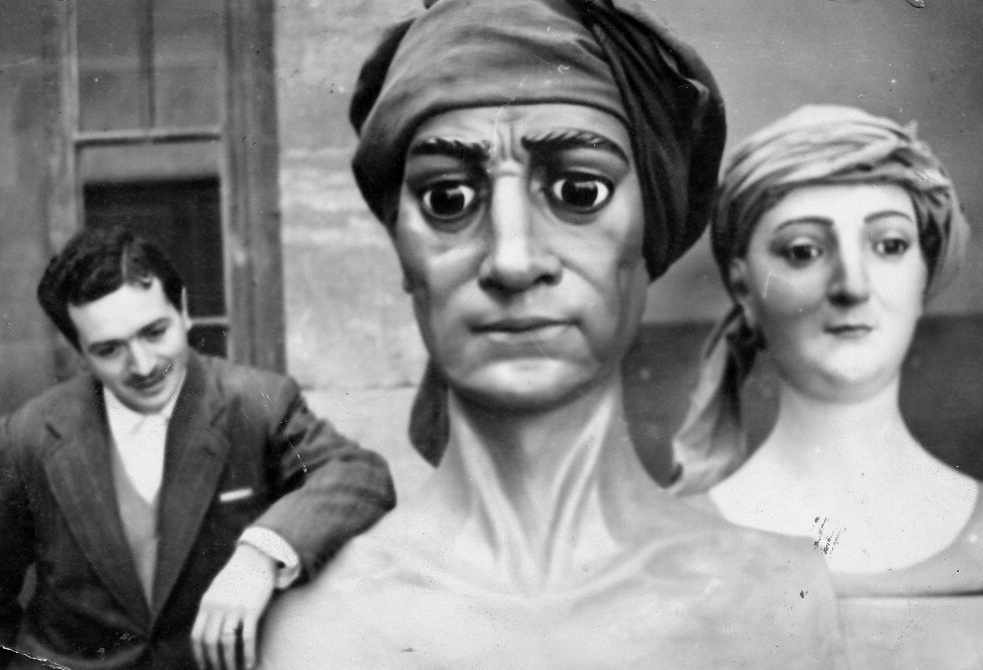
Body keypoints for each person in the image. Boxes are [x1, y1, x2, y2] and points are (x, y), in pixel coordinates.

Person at [259, 1, 848, 668]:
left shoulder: (775, 596)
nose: (511, 260)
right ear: (401, 247)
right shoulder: (313, 628)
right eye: (448, 199)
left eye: (579, 192)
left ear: (648, 231)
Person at [670, 104, 983, 669]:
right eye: (803, 251)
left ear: (924, 272)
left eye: (889, 245)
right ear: (745, 289)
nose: (852, 284)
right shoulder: (675, 546)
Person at [0, 226, 396, 670]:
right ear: (81, 353)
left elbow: (356, 473)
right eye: (110, 350)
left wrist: (260, 554)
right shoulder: (28, 436)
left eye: (155, 332)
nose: (143, 365)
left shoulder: (258, 403)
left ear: (184, 310)